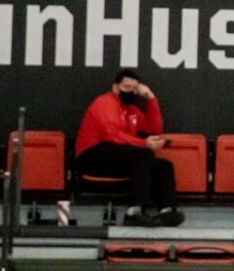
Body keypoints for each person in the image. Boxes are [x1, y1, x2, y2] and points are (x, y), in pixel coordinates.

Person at [74, 69, 184, 227]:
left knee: (164, 166)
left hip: (117, 158)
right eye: (127, 88)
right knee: (143, 154)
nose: (131, 92)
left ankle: (167, 210)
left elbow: (154, 129)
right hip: (91, 156)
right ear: (115, 88)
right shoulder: (104, 102)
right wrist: (144, 144)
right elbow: (110, 135)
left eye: (134, 89)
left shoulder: (131, 110)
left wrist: (151, 97)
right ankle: (135, 211)